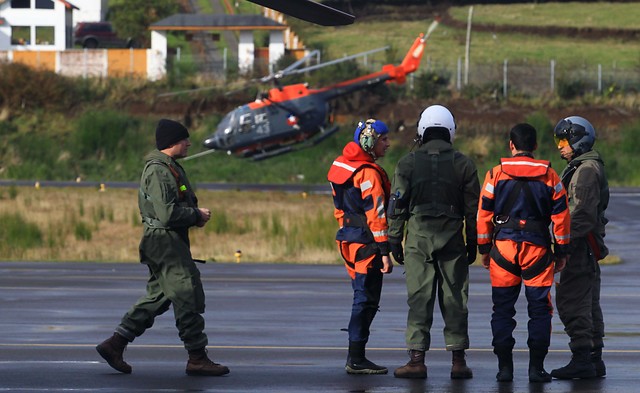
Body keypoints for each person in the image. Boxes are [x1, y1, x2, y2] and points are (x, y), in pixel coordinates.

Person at [96, 119, 229, 377]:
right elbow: (167, 214)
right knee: (186, 292)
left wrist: (192, 215)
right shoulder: (159, 171)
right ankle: (197, 358)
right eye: (184, 139)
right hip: (165, 241)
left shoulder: (169, 168)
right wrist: (195, 215)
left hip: (167, 241)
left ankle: (115, 344)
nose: (189, 143)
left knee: (160, 296)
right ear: (173, 142)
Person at [388, 104, 479, 379]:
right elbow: (473, 211)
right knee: (455, 297)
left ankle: (417, 360)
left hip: (419, 238)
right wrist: (473, 243)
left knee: (419, 297)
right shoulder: (464, 164)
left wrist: (394, 238)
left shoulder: (407, 163)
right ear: (450, 131)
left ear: (422, 130)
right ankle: (458, 361)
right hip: (453, 238)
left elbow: (397, 205)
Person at [477, 123, 570, 383]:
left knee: (502, 310)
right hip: (537, 250)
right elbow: (562, 218)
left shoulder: (495, 174)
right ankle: (536, 369)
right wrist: (562, 251)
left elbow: (483, 214)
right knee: (540, 311)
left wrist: (484, 249)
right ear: (535, 147)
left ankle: (504, 369)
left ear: (511, 145)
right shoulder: (551, 176)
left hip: (503, 250)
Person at [327, 118, 394, 374]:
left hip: (347, 239)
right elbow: (376, 215)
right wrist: (385, 251)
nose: (387, 144)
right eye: (383, 139)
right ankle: (356, 358)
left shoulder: (341, 165)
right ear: (369, 142)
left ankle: (356, 356)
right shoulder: (368, 173)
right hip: (366, 245)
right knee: (365, 300)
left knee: (362, 297)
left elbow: (338, 207)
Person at [550, 115, 609, 380]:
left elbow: (581, 214)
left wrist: (561, 244)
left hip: (578, 246)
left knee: (572, 301)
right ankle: (593, 359)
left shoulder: (585, 171)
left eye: (564, 140)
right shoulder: (583, 166)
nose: (560, 146)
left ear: (578, 140)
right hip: (585, 246)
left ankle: (583, 359)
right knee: (588, 303)